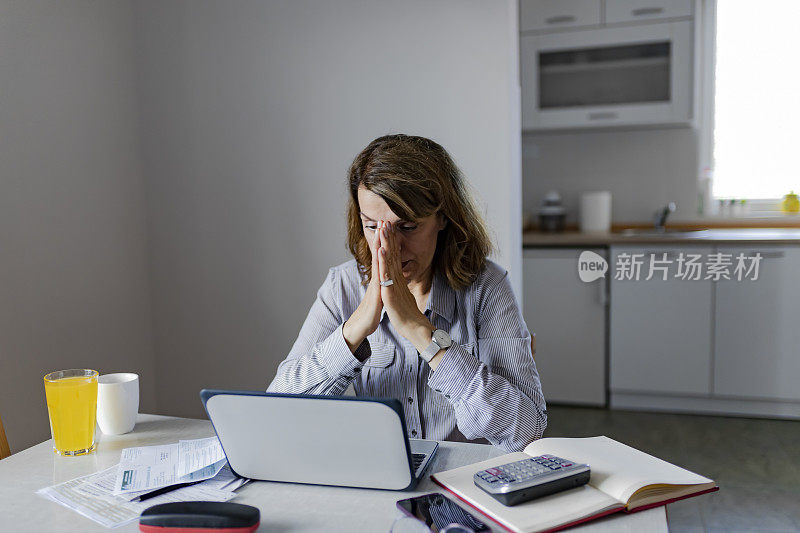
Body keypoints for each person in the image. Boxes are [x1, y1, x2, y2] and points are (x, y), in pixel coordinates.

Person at [268, 134, 546, 452]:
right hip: (377, 483)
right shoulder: (342, 286)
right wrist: (356, 326)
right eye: (372, 227)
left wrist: (422, 333)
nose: (390, 248)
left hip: (463, 485)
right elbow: (277, 410)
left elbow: (527, 430)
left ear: (443, 217)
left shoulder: (487, 287)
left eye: (408, 227)